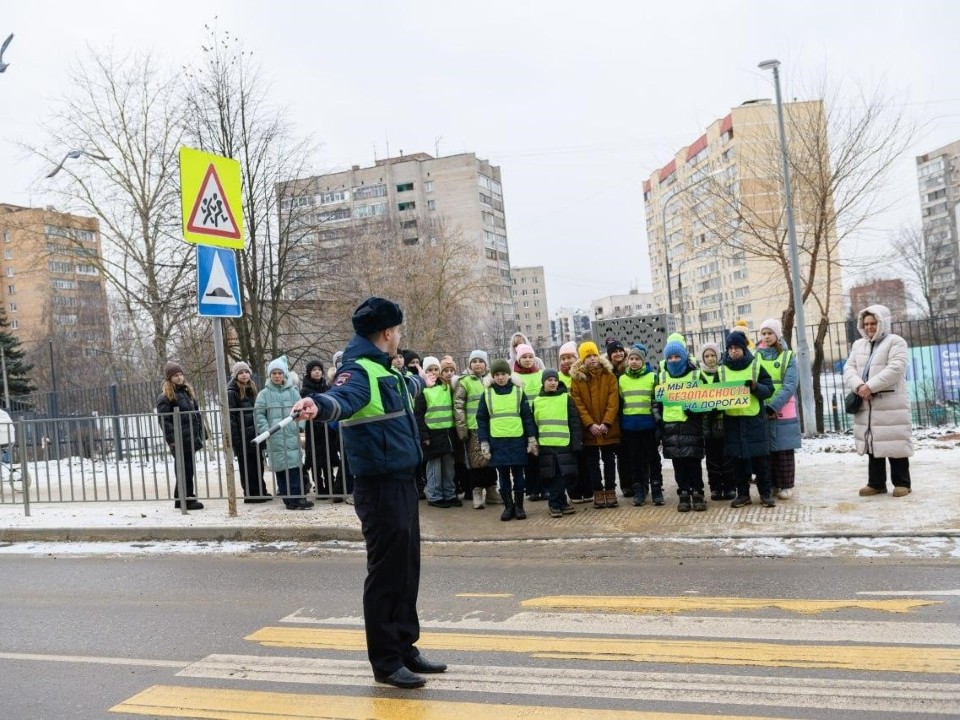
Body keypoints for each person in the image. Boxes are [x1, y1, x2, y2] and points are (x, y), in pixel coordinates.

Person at [292, 297, 446, 690]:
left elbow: (401, 392)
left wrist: (420, 381)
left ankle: (405, 647)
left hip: (401, 481)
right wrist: (319, 405)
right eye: (398, 331)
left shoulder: (386, 370)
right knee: (386, 575)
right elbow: (341, 399)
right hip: (378, 486)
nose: (399, 337)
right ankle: (386, 662)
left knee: (407, 569)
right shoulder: (357, 371)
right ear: (388, 332)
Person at [843, 304, 913, 497]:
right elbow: (849, 368)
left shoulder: (895, 342)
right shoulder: (859, 345)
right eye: (866, 324)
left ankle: (902, 483)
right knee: (872, 442)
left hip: (890, 401)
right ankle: (876, 483)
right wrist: (859, 387)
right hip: (867, 402)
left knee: (894, 441)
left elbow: (896, 368)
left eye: (873, 323)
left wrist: (870, 386)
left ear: (882, 322)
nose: (869, 327)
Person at [719, 331, 776, 508]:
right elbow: (713, 394)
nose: (734, 351)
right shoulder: (721, 370)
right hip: (733, 421)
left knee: (761, 461)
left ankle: (765, 494)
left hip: (754, 421)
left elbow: (769, 389)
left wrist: (754, 386)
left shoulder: (756, 366)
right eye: (730, 348)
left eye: (737, 347)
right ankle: (743, 495)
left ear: (744, 348)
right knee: (738, 462)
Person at [477, 358, 537, 521]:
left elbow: (527, 417)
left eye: (503, 374)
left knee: (518, 475)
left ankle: (519, 507)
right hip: (497, 442)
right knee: (503, 477)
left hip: (517, 440)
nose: (500, 377)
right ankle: (508, 507)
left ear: (509, 375)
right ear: (493, 376)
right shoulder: (487, 393)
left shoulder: (518, 391)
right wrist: (484, 442)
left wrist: (531, 438)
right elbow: (481, 419)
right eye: (497, 374)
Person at [653, 339, 706, 512]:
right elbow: (655, 402)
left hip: (692, 427)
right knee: (679, 464)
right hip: (670, 429)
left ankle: (698, 492)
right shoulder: (661, 377)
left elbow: (708, 399)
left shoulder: (696, 375)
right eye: (670, 357)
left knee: (693, 462)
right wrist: (659, 419)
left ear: (684, 357)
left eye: (677, 356)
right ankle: (683, 492)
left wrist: (696, 411)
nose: (674, 360)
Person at [255, 358, 313, 511]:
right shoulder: (263, 394)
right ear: (269, 375)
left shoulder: (293, 392)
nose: (277, 376)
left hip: (291, 434)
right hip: (274, 436)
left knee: (294, 466)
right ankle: (288, 499)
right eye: (274, 373)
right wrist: (266, 430)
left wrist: (300, 426)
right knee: (281, 468)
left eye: (279, 373)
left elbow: (301, 409)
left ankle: (298, 497)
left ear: (284, 374)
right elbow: (259, 414)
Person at [570, 341, 621, 509]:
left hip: (608, 428)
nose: (592, 359)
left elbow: (613, 402)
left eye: (594, 355)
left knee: (609, 460)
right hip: (589, 430)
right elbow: (578, 404)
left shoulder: (609, 375)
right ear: (582, 359)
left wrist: (606, 423)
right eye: (588, 356)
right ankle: (598, 491)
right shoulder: (577, 379)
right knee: (592, 462)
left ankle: (610, 490)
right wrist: (590, 424)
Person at [757, 318, 801, 500]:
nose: (767, 337)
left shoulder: (788, 356)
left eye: (770, 333)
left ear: (777, 335)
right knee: (767, 450)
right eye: (764, 333)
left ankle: (787, 485)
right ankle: (773, 484)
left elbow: (790, 384)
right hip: (762, 407)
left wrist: (774, 405)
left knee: (784, 449)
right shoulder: (756, 356)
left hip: (784, 408)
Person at [453, 349, 501, 509]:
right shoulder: (465, 381)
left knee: (491, 460)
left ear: (486, 364)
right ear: (470, 364)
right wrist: (462, 428)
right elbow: (458, 405)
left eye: (480, 361)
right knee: (476, 462)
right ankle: (477, 492)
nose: (477, 364)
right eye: (474, 361)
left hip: (490, 427)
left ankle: (492, 490)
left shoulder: (491, 379)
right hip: (473, 427)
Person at [156, 361, 206, 510]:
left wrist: (201, 433)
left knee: (187, 469)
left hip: (190, 437)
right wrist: (172, 440)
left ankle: (180, 499)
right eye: (175, 375)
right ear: (169, 378)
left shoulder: (187, 392)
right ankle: (188, 499)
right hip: (179, 440)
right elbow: (164, 420)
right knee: (184, 469)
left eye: (180, 374)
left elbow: (195, 415)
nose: (179, 377)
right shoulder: (166, 397)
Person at [533, 368, 582, 518]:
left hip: (564, 443)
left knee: (565, 474)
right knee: (552, 475)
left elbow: (574, 422)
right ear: (543, 382)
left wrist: (577, 442)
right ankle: (557, 503)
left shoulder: (566, 398)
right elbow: (535, 424)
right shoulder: (537, 401)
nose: (553, 383)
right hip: (546, 444)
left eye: (555, 380)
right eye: (549, 380)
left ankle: (557, 502)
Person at [618, 343, 663, 506]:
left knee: (653, 459)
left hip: (649, 426)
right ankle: (639, 491)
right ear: (627, 361)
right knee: (635, 460)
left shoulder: (652, 377)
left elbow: (657, 401)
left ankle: (657, 490)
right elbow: (621, 401)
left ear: (643, 361)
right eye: (631, 358)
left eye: (637, 359)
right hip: (630, 427)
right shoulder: (622, 379)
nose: (634, 362)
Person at [416, 356, 460, 508]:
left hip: (447, 433)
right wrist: (424, 436)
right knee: (434, 468)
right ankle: (435, 495)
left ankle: (450, 493)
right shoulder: (423, 390)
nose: (433, 373)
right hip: (432, 435)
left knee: (449, 467)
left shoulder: (446, 387)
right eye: (429, 370)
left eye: (436, 369)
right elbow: (419, 415)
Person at [697, 343, 737, 502]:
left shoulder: (723, 372)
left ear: (718, 356)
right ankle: (715, 488)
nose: (710, 358)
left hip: (723, 420)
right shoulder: (698, 375)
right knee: (712, 457)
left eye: (713, 355)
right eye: (706, 356)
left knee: (727, 456)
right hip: (707, 421)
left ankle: (729, 487)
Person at [227, 361, 270, 503]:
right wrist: (236, 439)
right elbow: (231, 418)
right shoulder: (232, 392)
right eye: (240, 373)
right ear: (236, 375)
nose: (244, 375)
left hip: (254, 433)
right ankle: (251, 494)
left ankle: (260, 490)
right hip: (242, 435)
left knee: (258, 463)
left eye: (246, 372)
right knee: (247, 465)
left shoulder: (252, 388)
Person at [301, 359, 343, 502]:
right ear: (309, 372)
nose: (317, 372)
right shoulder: (305, 390)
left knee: (328, 457)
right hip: (313, 427)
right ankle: (319, 487)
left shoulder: (326, 387)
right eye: (314, 370)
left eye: (319, 369)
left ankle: (331, 485)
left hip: (327, 426)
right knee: (315, 459)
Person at [513, 342, 545, 501]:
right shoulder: (515, 377)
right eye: (524, 357)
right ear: (518, 359)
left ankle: (545, 487)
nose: (527, 359)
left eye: (530, 356)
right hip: (524, 421)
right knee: (530, 456)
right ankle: (532, 489)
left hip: (541, 420)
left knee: (543, 456)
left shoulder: (541, 374)